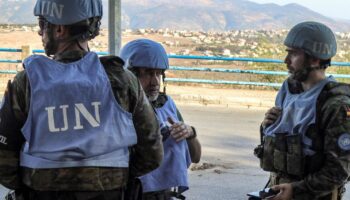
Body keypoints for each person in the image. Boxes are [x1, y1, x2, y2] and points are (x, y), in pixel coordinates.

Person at [0, 0, 163, 199]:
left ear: (59, 29)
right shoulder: (123, 80)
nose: (40, 32)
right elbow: (152, 153)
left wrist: (28, 186)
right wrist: (113, 179)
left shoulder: (27, 83)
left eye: (42, 24)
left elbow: (3, 158)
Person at [255, 21, 350, 200]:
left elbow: (338, 171)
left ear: (315, 59)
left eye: (294, 54)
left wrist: (296, 191)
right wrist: (267, 126)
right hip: (279, 190)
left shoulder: (335, 105)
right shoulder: (290, 90)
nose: (286, 61)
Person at [120, 39, 201, 200]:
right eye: (149, 73)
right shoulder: (121, 108)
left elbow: (196, 157)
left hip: (164, 194)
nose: (155, 82)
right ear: (131, 75)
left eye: (158, 73)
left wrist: (190, 133)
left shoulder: (166, 105)